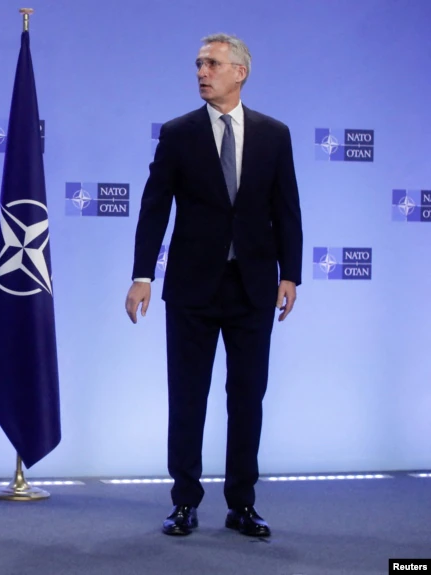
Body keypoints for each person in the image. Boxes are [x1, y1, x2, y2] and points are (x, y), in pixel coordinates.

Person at [125, 33, 302, 538]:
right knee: (187, 397)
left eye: (213, 64)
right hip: (190, 289)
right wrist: (142, 275)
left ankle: (242, 504)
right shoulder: (179, 133)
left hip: (252, 288)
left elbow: (286, 208)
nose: (202, 72)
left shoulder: (274, 133)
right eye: (199, 64)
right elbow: (154, 205)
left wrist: (290, 273)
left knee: (248, 397)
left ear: (240, 72)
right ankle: (184, 502)